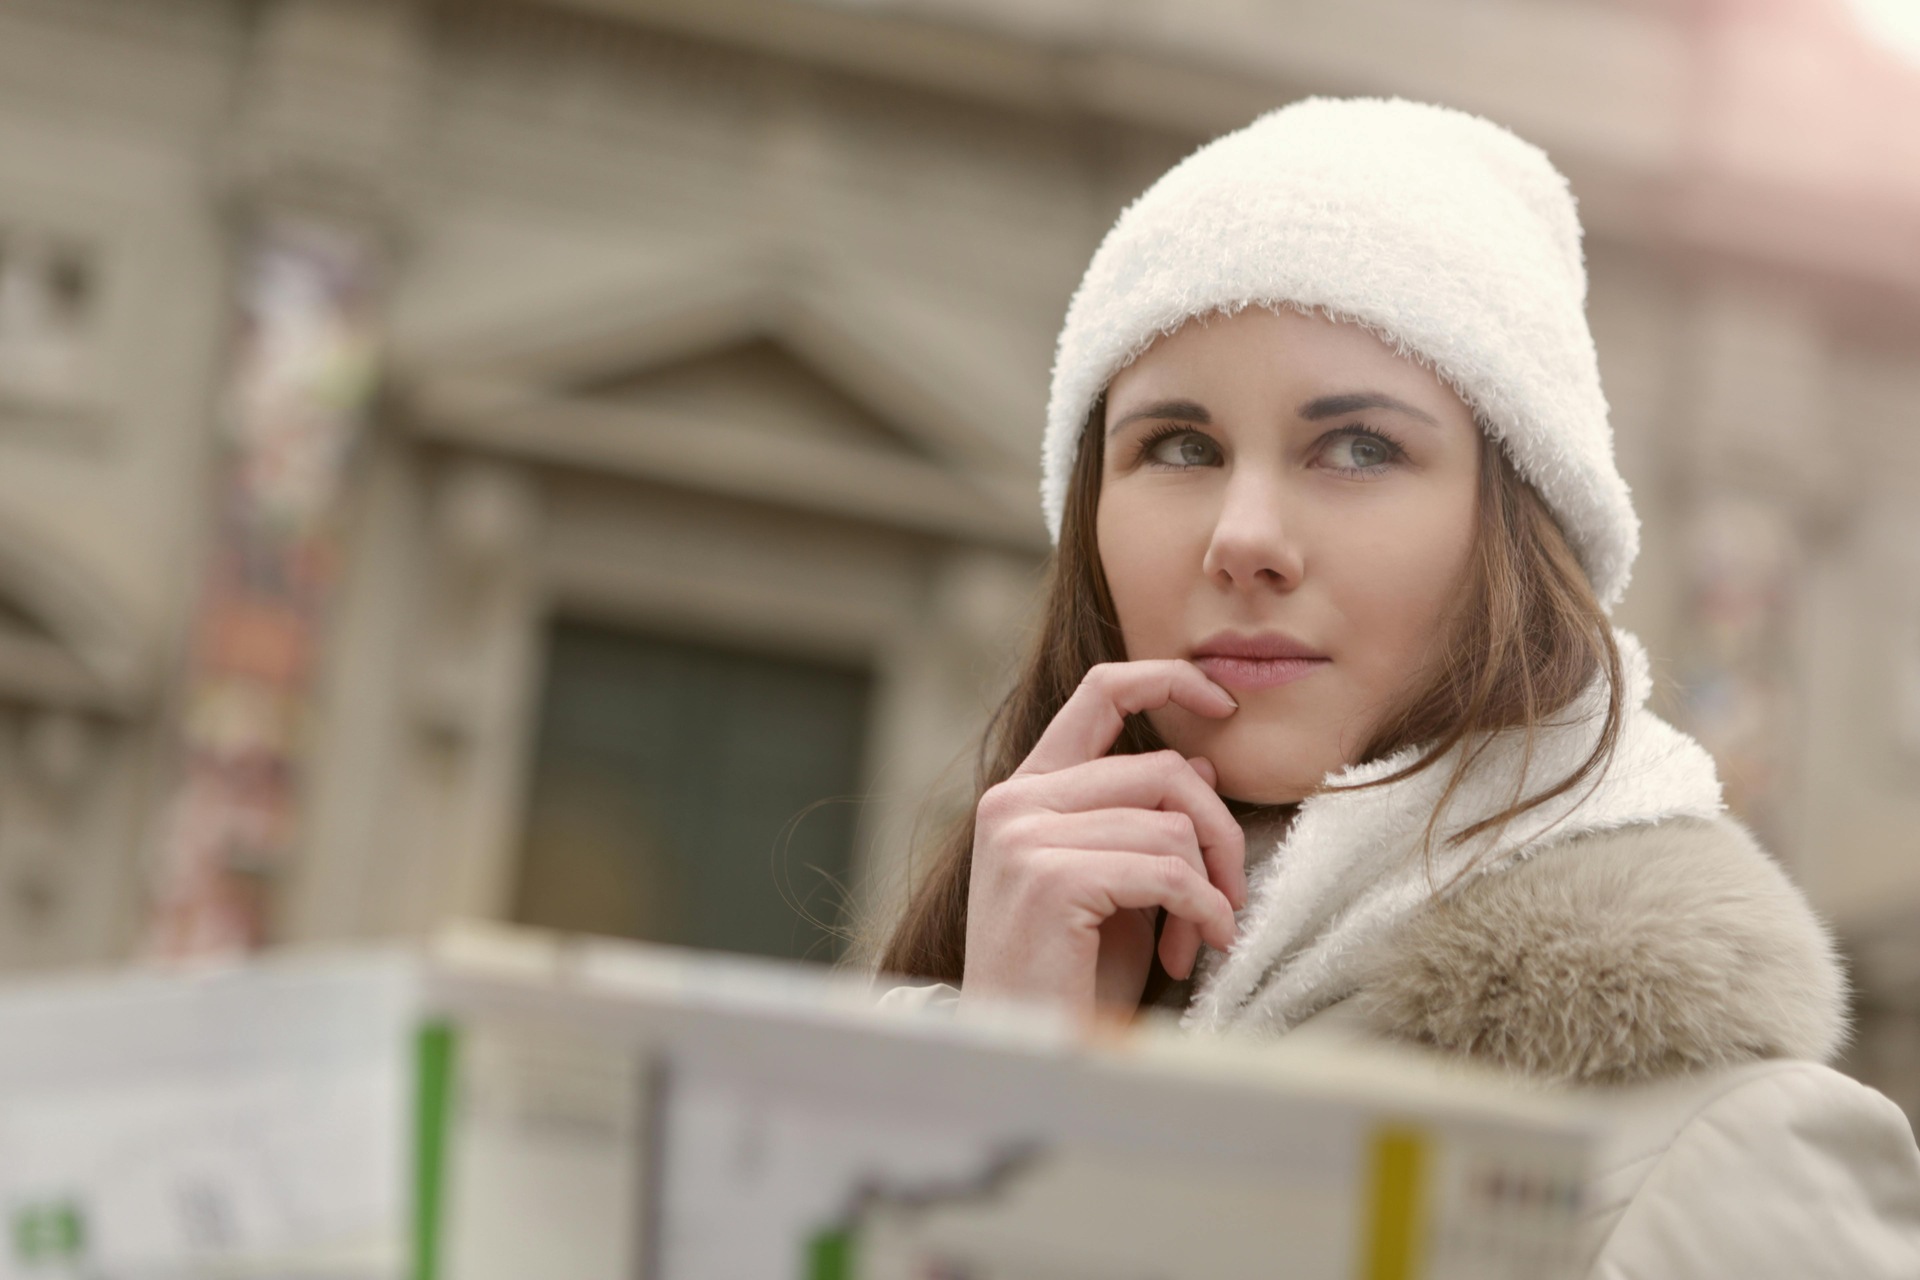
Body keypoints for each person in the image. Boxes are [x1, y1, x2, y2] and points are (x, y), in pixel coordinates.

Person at [863, 97, 1920, 1276]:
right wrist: (1007, 1089)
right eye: (1177, 444)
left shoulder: (1723, 1149)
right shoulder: (891, 1078)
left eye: (1359, 446)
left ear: (1516, 526)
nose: (1243, 535)